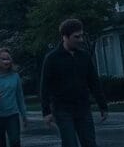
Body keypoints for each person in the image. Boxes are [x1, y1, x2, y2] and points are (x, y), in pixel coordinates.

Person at [39, 18, 108, 147]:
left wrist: (102, 105)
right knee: (70, 143)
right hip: (62, 109)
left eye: (81, 36)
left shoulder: (84, 56)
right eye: (76, 37)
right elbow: (45, 87)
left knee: (89, 142)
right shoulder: (52, 58)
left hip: (82, 107)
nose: (80, 40)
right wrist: (46, 112)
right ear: (65, 37)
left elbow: (94, 82)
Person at [0, 47, 28, 147]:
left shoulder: (15, 76)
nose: (6, 61)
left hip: (12, 115)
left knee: (15, 141)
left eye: (8, 58)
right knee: (0, 144)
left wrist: (24, 115)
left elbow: (19, 97)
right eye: (3, 59)